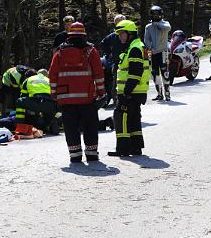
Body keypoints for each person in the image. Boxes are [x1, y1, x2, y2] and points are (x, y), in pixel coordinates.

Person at [49, 22, 105, 163]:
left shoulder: (59, 53)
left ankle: (75, 155)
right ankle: (91, 154)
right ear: (84, 35)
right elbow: (98, 74)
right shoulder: (90, 51)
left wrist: (54, 94)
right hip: (87, 98)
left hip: (66, 99)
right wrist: (101, 91)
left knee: (70, 127)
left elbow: (52, 75)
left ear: (69, 36)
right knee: (90, 126)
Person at [109, 20, 150, 157]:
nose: (120, 36)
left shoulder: (134, 48)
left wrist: (126, 92)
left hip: (131, 91)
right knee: (133, 118)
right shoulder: (136, 46)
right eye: (119, 34)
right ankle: (136, 147)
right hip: (137, 91)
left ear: (130, 34)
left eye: (122, 33)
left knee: (121, 117)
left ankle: (123, 149)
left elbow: (135, 72)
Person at [16, 68, 59, 134]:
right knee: (47, 113)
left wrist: (29, 109)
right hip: (50, 104)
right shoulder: (49, 80)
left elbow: (23, 96)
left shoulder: (28, 79)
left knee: (19, 102)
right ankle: (50, 122)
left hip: (36, 101)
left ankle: (20, 126)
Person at [144, 6, 172, 101]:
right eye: (154, 14)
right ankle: (159, 94)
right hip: (154, 53)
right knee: (155, 73)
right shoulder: (148, 27)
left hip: (163, 52)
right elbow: (146, 39)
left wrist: (157, 24)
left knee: (165, 73)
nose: (155, 16)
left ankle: (167, 94)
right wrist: (150, 48)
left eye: (157, 14)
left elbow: (168, 28)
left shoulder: (165, 23)